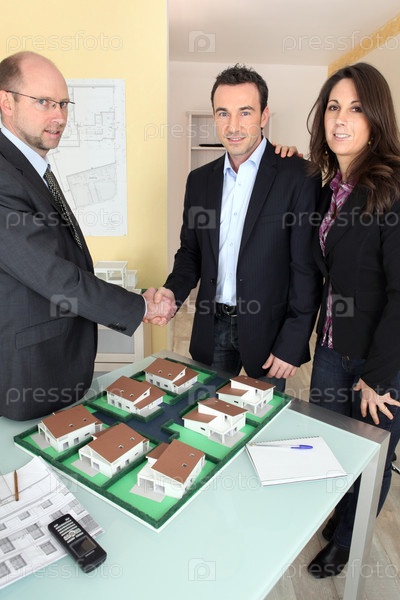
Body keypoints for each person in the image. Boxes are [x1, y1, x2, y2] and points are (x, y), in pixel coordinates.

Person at [0, 51, 175, 421]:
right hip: (28, 373)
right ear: (6, 102)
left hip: (54, 363)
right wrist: (141, 306)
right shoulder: (4, 175)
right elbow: (53, 274)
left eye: (63, 104)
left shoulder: (31, 168)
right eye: (43, 102)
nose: (59, 117)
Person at [153, 64, 321, 389]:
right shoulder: (199, 181)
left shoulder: (299, 176)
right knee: (209, 411)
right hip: (211, 326)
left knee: (263, 416)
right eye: (223, 113)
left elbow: (305, 269)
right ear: (214, 117)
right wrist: (172, 292)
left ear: (264, 115)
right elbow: (190, 253)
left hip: (270, 332)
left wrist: (293, 341)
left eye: (245, 112)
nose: (233, 126)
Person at [306, 62, 400, 578]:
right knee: (333, 446)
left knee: (370, 458)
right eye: (333, 107)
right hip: (331, 347)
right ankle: (343, 513)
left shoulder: (392, 187)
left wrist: (377, 377)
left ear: (377, 117)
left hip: (378, 362)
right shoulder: (334, 187)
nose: (341, 119)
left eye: (357, 108)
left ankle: (348, 540)